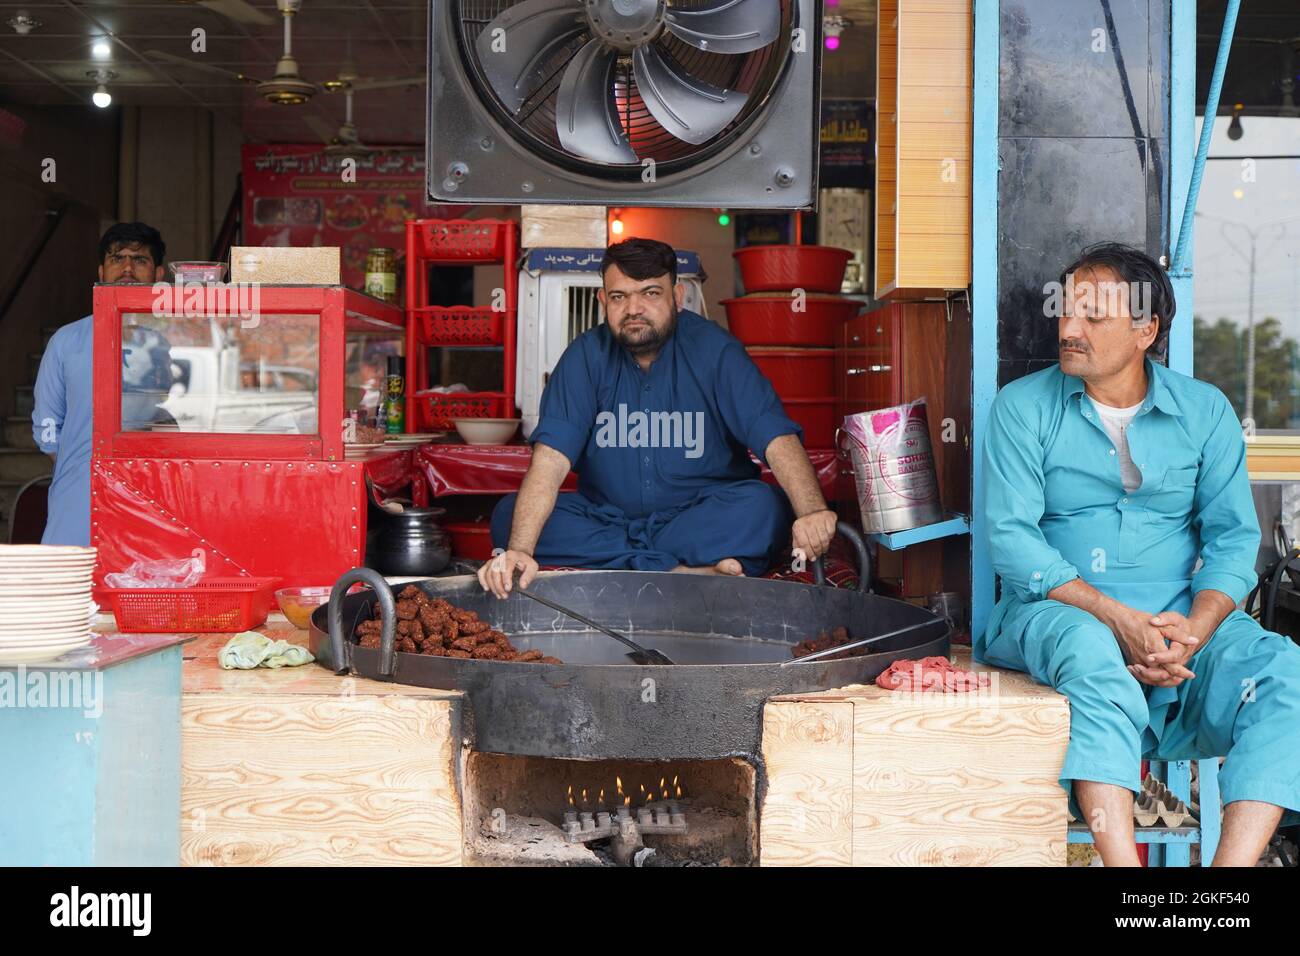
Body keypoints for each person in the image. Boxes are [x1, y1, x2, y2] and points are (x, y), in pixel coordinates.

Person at [981, 242, 1300, 866]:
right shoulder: (1023, 408)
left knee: (1284, 672)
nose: (1068, 328)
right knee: (1092, 649)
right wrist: (1117, 619)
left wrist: (1197, 631)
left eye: (1092, 316)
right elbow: (1011, 540)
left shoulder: (1203, 410)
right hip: (1056, 613)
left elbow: (1234, 538)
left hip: (1182, 626)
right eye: (1066, 309)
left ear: (1144, 330)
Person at [479, 238, 837, 597]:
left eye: (650, 293)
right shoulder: (584, 357)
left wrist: (811, 511)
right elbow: (550, 462)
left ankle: (633, 564)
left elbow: (775, 437)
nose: (634, 308)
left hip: (697, 519)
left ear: (677, 297)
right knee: (509, 518)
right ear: (603, 301)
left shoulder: (717, 351)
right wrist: (521, 550)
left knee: (765, 508)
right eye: (619, 296)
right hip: (607, 520)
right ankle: (684, 571)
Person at [32, 222, 167, 546]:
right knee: (74, 583)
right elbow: (48, 428)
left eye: (139, 259)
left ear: (159, 274)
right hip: (80, 493)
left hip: (158, 488)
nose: (127, 268)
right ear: (101, 271)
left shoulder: (176, 336)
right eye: (117, 258)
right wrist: (88, 467)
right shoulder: (67, 341)